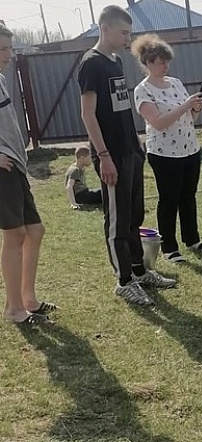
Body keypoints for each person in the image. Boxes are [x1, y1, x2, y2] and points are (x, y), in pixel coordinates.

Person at [78, 5, 175, 307]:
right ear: (104, 28)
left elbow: (119, 109)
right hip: (111, 155)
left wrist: (136, 147)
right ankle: (123, 282)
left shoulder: (116, 61)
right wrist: (104, 155)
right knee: (117, 221)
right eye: (123, 32)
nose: (127, 38)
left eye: (129, 33)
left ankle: (138, 270)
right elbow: (88, 114)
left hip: (130, 151)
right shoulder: (91, 64)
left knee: (134, 215)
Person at [131, 33, 202, 264]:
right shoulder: (143, 90)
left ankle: (193, 239)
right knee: (169, 199)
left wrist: (195, 108)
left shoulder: (176, 83)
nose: (165, 66)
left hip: (190, 148)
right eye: (160, 62)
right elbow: (158, 122)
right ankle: (169, 246)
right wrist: (186, 105)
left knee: (189, 196)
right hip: (164, 153)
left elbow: (188, 118)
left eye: (167, 61)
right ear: (148, 63)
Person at [0, 24, 56, 325]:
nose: (9, 55)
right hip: (3, 169)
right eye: (2, 49)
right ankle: (13, 309)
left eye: (9, 48)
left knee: (34, 230)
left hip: (16, 167)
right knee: (15, 234)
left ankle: (28, 299)